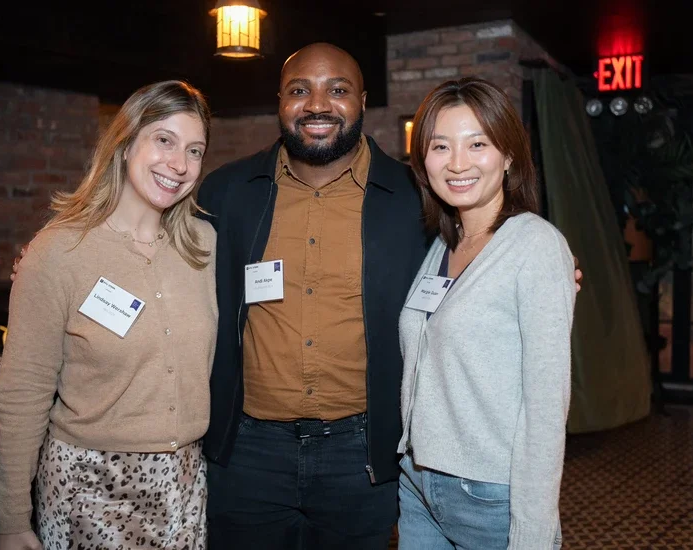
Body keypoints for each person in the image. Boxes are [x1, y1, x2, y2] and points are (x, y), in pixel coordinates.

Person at [197, 44, 582, 549]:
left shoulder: (411, 199)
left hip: (362, 456)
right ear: (279, 101)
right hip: (253, 454)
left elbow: (500, 272)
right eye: (299, 90)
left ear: (362, 101)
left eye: (337, 90)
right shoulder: (228, 192)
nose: (317, 104)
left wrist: (550, 273)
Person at [0, 80, 218, 550]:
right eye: (164, 140)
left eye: (194, 150)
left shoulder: (205, 246)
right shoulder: (59, 250)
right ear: (126, 141)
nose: (179, 164)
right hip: (88, 493)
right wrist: (10, 520)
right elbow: (22, 396)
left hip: (186, 488)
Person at [396, 77, 574, 549]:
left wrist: (533, 533)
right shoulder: (443, 242)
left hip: (491, 495)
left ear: (509, 155)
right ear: (423, 160)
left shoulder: (536, 245)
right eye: (440, 146)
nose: (457, 163)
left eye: (478, 143)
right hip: (417, 483)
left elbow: (546, 407)